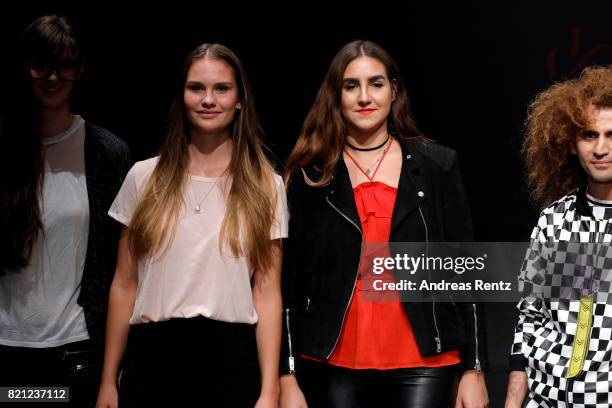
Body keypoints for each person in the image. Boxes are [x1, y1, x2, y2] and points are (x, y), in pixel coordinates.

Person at [279, 40, 489, 408]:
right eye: (350, 86)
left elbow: (465, 272)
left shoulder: (437, 166)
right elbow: (288, 285)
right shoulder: (311, 177)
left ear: (394, 91)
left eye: (375, 84)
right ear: (336, 95)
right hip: (332, 359)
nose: (364, 97)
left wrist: (474, 368)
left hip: (426, 359)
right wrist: (288, 374)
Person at [95, 43, 288, 407]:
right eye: (196, 88)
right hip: (153, 360)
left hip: (232, 362)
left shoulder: (266, 185)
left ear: (239, 100)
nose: (208, 100)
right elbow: (124, 282)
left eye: (221, 88)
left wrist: (270, 389)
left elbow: (267, 293)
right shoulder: (143, 177)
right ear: (181, 96)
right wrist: (108, 380)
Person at [0, 14, 131, 407]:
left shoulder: (107, 154)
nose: (52, 77)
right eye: (41, 64)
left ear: (79, 70)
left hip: (75, 351)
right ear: (24, 68)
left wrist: (113, 371)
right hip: (7, 350)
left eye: (64, 65)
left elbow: (123, 271)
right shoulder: (4, 148)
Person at [505, 66, 612, 408]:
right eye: (589, 135)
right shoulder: (554, 219)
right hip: (546, 399)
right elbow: (529, 315)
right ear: (571, 142)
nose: (601, 148)